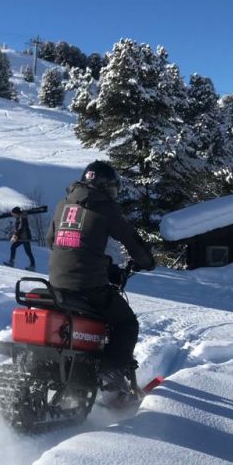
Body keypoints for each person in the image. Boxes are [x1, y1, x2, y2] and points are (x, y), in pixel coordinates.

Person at [46, 160, 155, 389]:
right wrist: (146, 261)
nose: (114, 194)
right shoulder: (104, 207)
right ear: (106, 186)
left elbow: (51, 241)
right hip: (88, 287)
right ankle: (110, 375)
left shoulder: (62, 205)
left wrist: (103, 264)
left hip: (56, 284)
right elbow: (130, 239)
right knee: (127, 324)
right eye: (114, 188)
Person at [4, 207, 36, 271]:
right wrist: (15, 235)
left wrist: (15, 236)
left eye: (13, 213)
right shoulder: (19, 217)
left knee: (28, 252)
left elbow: (20, 229)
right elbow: (18, 229)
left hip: (25, 237)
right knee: (13, 247)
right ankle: (11, 261)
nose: (13, 215)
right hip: (21, 237)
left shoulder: (22, 218)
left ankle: (32, 265)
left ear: (16, 213)